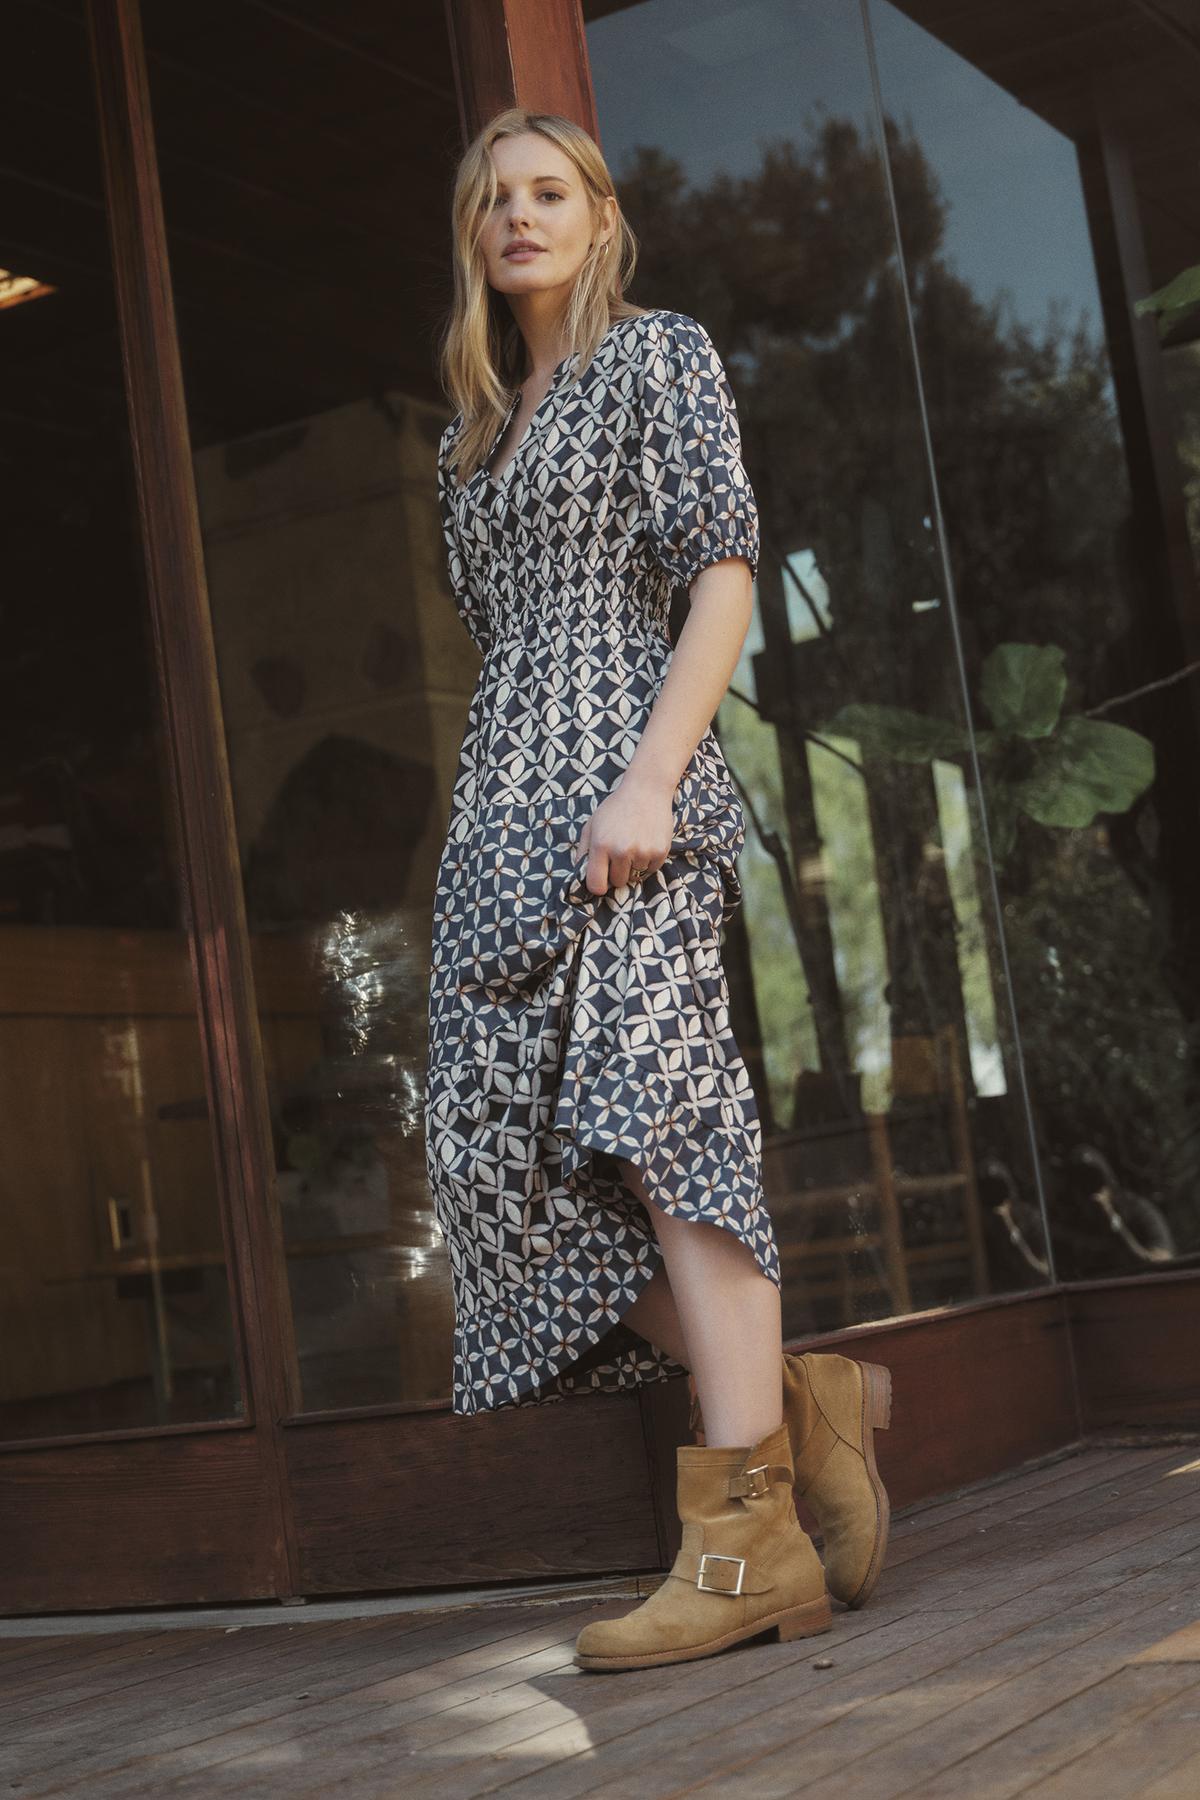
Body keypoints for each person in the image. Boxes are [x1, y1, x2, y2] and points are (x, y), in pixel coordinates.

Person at [427, 105, 892, 1673]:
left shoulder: (659, 357)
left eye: (547, 191)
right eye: (495, 199)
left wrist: (645, 775)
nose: (519, 218)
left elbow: (723, 573)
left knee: (659, 1125)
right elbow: (503, 643)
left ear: (598, 214)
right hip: (503, 822)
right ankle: (797, 1396)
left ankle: (746, 1541)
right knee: (494, 1170)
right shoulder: (468, 433)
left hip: (638, 795)